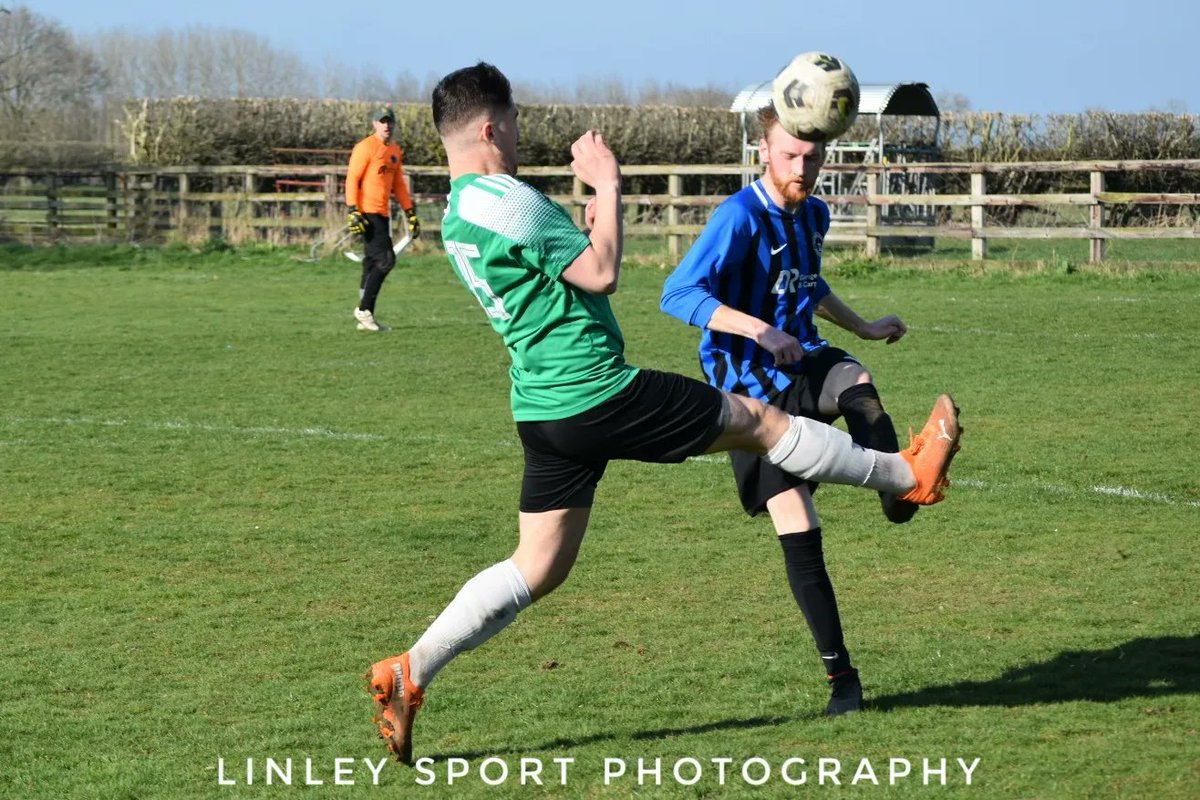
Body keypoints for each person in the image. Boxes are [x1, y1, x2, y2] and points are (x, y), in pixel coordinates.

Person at [365, 62, 961, 765]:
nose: (522, 134)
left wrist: (590, 214)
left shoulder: (461, 210)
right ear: (491, 127)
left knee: (537, 566)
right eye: (517, 121)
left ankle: (410, 670)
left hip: (542, 407)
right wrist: (609, 185)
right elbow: (602, 271)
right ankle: (904, 475)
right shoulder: (510, 198)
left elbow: (557, 269)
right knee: (759, 421)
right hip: (597, 390)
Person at [659, 101, 960, 714]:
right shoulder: (738, 216)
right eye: (790, 154)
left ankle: (899, 489)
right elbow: (677, 292)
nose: (803, 166)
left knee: (854, 377)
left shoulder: (814, 214)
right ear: (764, 152)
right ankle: (841, 677)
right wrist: (761, 332)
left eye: (812, 156)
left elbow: (808, 285)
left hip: (805, 360)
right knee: (798, 524)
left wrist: (868, 326)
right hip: (749, 388)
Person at [345, 104, 421, 332]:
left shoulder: (395, 150)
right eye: (382, 121)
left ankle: (365, 317)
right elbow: (352, 179)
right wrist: (353, 209)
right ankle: (364, 310)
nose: (386, 125)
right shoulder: (365, 147)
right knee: (386, 260)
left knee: (371, 263)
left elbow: (398, 185)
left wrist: (410, 212)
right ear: (374, 124)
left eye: (389, 121)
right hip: (367, 212)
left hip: (383, 213)